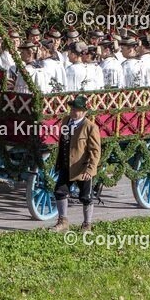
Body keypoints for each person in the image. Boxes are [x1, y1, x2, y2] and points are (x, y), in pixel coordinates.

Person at [53, 95, 102, 232]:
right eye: (72, 109)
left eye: (76, 110)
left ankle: (87, 225)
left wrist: (90, 169)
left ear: (84, 112)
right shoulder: (66, 121)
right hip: (66, 165)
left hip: (82, 169)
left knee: (86, 197)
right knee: (60, 192)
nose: (73, 111)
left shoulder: (90, 127)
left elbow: (95, 151)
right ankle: (63, 222)